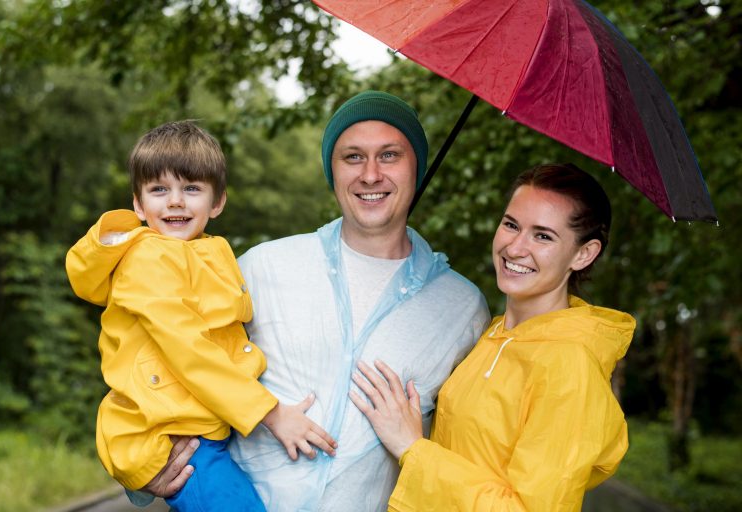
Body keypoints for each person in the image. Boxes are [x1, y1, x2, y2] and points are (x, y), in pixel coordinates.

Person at [121, 91, 490, 511]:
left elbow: (463, 451)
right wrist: (144, 471)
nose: (371, 175)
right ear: (331, 171)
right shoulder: (260, 268)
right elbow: (157, 351)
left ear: (417, 170)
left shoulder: (463, 308)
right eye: (352, 157)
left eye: (389, 156)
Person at [65, 121, 336, 512]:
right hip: (169, 432)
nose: (175, 201)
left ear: (218, 201)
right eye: (159, 190)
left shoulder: (210, 251)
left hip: (200, 426)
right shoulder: (148, 258)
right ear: (138, 205)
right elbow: (187, 347)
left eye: (191, 188)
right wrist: (270, 413)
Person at [351, 163, 636, 511]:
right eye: (511, 225)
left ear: (583, 254)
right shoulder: (494, 333)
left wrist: (413, 449)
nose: (515, 248)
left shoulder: (570, 365)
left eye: (543, 236)